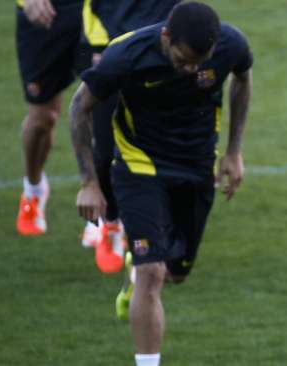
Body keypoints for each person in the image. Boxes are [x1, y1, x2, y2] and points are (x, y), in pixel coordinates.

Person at [69, 3, 253, 365]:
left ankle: (133, 278)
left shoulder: (230, 44)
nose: (190, 70)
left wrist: (233, 151)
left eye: (199, 63)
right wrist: (89, 182)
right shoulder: (125, 54)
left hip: (197, 167)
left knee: (175, 274)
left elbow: (243, 78)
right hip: (140, 166)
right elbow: (80, 106)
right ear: (166, 36)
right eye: (183, 60)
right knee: (152, 271)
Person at [78, 0, 181, 274]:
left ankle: (156, 232)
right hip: (109, 37)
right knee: (105, 143)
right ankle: (110, 221)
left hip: (165, 42)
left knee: (165, 139)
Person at [15, 0, 83, 236]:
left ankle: (109, 217)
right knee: (42, 118)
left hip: (104, 10)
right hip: (47, 9)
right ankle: (34, 189)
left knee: (105, 110)